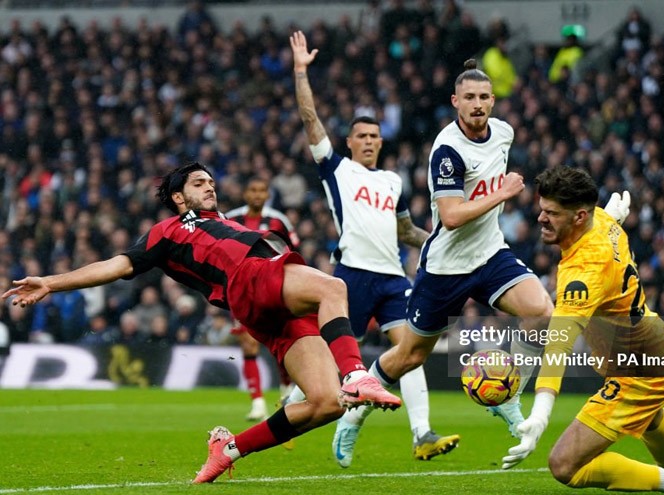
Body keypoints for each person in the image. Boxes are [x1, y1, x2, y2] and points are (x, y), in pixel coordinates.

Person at [2, 162, 401, 484]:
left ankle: (228, 450)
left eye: (211, 181)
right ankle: (355, 373)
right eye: (198, 182)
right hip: (248, 277)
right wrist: (51, 283)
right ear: (178, 197)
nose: (210, 186)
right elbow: (117, 265)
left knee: (326, 404)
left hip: (262, 305)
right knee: (332, 288)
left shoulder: (225, 220)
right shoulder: (166, 232)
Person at [357, 59, 558, 444]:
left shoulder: (503, 132)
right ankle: (356, 414)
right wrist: (502, 193)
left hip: (490, 254)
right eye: (469, 97)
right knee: (410, 355)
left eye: (484, 96)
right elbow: (449, 217)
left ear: (494, 101)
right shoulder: (447, 151)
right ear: (455, 102)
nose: (477, 104)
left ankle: (507, 396)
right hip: (446, 266)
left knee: (542, 312)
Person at [501, 166, 664, 495]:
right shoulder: (601, 221)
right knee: (648, 417)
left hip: (639, 368)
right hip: (650, 344)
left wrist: (540, 413)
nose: (541, 218)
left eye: (551, 213)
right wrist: (612, 215)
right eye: (541, 209)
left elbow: (559, 345)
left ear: (579, 216)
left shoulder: (583, 273)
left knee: (564, 466)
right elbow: (604, 225)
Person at [290, 30, 459, 467]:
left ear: (381, 142)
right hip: (349, 277)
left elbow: (405, 231)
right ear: (349, 141)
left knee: (411, 351)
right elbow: (310, 119)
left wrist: (441, 240)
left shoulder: (393, 182)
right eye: (361, 135)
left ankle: (421, 433)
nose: (368, 141)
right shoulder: (337, 170)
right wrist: (300, 72)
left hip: (391, 279)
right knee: (325, 358)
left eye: (374, 136)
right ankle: (288, 411)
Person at [225, 176, 299, 422]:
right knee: (248, 344)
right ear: (245, 194)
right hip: (242, 289)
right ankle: (257, 403)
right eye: (252, 190)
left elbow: (292, 251)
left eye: (261, 191)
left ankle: (286, 389)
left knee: (279, 342)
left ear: (267, 195)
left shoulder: (279, 220)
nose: (257, 195)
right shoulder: (231, 219)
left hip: (272, 287)